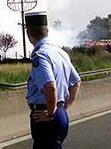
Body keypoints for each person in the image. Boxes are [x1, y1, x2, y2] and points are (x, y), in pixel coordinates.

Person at [25, 11, 81, 149]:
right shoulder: (60, 52)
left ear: (28, 34)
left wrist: (51, 112)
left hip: (45, 117)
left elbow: (50, 86)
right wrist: (63, 108)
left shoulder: (40, 55)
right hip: (59, 113)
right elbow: (76, 82)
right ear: (47, 31)